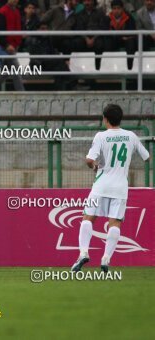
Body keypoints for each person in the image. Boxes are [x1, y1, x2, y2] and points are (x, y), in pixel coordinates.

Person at [71, 104, 150, 273]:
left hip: (101, 185)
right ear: (120, 119)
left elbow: (89, 160)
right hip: (120, 187)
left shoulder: (101, 136)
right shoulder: (131, 136)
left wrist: (94, 166)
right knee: (115, 223)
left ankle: (83, 252)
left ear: (105, 119)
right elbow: (147, 157)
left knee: (88, 218)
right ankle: (106, 259)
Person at [105, 0, 137, 69]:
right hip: (114, 40)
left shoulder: (129, 18)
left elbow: (132, 31)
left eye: (118, 8)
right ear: (112, 9)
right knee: (107, 43)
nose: (116, 10)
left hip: (126, 40)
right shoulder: (108, 19)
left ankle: (130, 67)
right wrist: (121, 37)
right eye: (114, 8)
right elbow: (106, 33)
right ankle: (110, 67)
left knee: (131, 43)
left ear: (122, 9)